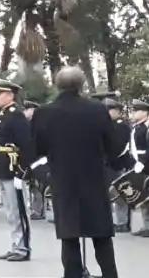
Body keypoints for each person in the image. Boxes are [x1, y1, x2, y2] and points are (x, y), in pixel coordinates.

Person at [31, 67, 129, 278]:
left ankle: (73, 274)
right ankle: (110, 274)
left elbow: (38, 149)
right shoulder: (97, 110)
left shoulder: (44, 112)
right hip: (94, 180)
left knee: (69, 236)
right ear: (81, 85)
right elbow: (112, 146)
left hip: (63, 180)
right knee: (101, 236)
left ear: (57, 85)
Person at [0, 78, 33, 263]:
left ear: (10, 95)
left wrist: (22, 169)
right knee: (10, 210)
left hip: (14, 167)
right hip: (4, 166)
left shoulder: (16, 115)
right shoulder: (4, 114)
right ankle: (16, 244)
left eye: (0, 93)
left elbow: (26, 144)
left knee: (18, 210)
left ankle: (23, 247)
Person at [101, 96, 132, 233]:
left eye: (109, 110)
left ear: (118, 111)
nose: (107, 113)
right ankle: (109, 221)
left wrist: (105, 158)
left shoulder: (122, 127)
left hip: (117, 164)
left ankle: (122, 222)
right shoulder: (105, 126)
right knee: (106, 194)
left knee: (120, 194)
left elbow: (118, 146)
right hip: (106, 165)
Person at [23, 100, 46, 221]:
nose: (24, 112)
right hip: (31, 158)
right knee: (33, 186)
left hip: (39, 159)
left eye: (27, 110)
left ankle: (39, 211)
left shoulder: (38, 124)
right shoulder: (28, 124)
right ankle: (37, 209)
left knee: (38, 186)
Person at [131, 99, 149, 237]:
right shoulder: (137, 127)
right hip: (139, 166)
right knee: (143, 198)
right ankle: (146, 225)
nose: (134, 113)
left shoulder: (147, 128)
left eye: (137, 111)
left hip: (146, 165)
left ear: (145, 112)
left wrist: (142, 162)